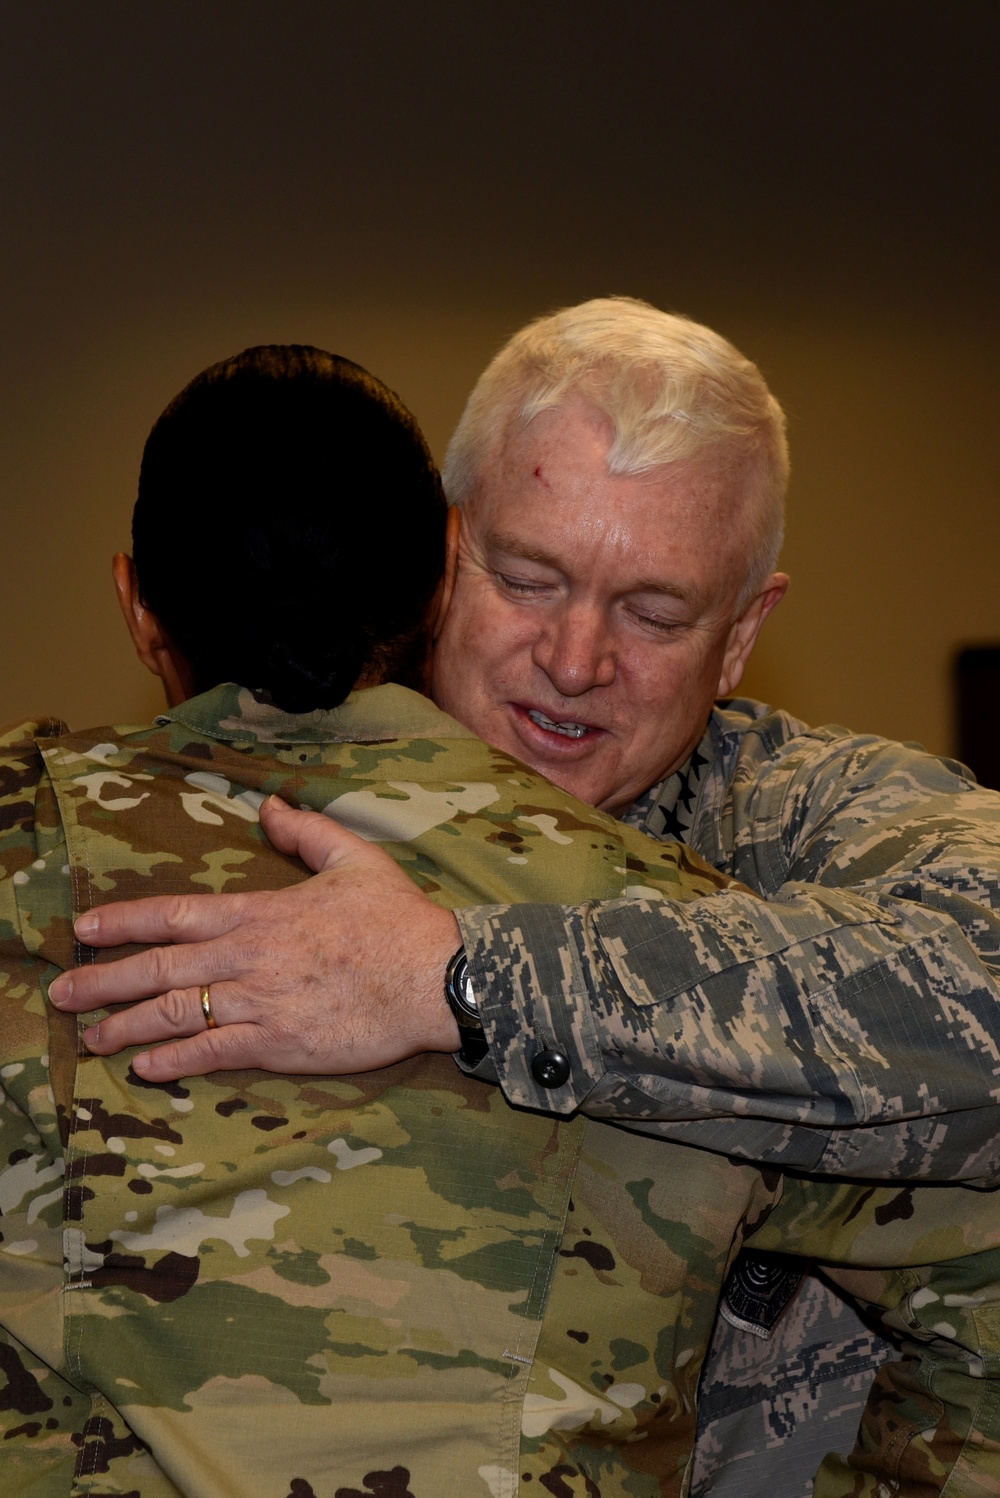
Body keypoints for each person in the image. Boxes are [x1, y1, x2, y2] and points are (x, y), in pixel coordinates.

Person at [43, 303, 1000, 1493]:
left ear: (745, 630)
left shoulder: (784, 823)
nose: (575, 659)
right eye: (531, 578)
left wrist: (464, 976)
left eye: (654, 612)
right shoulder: (227, 820)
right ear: (442, 557)